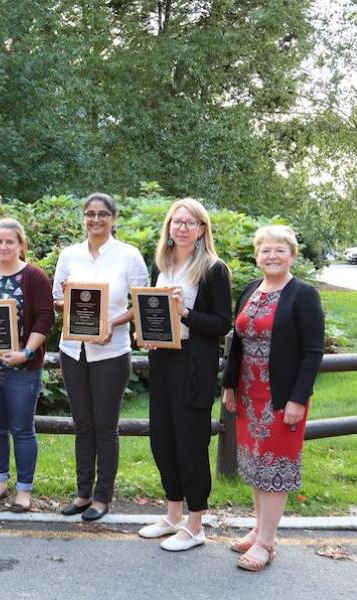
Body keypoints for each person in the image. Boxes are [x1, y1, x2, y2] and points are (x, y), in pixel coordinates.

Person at [221, 225, 324, 571]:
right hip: (249, 394)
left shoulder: (303, 294)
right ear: (256, 256)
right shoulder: (251, 289)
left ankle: (267, 543)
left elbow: (312, 352)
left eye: (280, 250)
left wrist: (299, 399)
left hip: (281, 397)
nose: (272, 256)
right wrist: (230, 385)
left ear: (292, 255)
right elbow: (236, 341)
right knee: (254, 464)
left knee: (276, 467)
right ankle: (258, 529)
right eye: (265, 250)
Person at [136, 199, 231, 551]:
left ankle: (195, 525)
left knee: (191, 444)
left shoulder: (213, 269)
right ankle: (172, 515)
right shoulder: (161, 264)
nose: (183, 228)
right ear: (169, 228)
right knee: (162, 440)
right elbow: (151, 310)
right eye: (177, 222)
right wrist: (145, 333)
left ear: (202, 229)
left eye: (191, 223)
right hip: (163, 360)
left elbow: (222, 323)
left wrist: (185, 312)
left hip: (194, 365)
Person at [53, 193, 149, 521]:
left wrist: (112, 322)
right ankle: (82, 493)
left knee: (105, 426)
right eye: (90, 214)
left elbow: (140, 304)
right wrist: (67, 298)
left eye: (103, 214)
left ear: (113, 217)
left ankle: (102, 497)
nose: (96, 219)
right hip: (73, 350)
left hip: (111, 351)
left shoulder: (129, 256)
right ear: (83, 217)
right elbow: (57, 300)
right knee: (83, 425)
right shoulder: (70, 254)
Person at [0, 218, 55, 512]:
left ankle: (24, 490)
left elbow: (45, 319)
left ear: (21, 245)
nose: (3, 246)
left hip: (23, 368)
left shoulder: (34, 277)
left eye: (9, 242)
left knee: (22, 428)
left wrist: (27, 353)